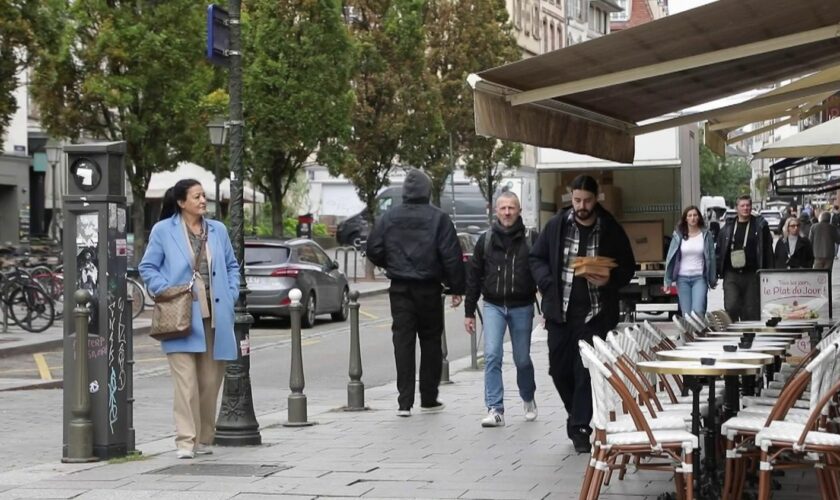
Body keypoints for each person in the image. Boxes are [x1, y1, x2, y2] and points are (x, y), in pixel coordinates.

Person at [529, 175, 635, 453]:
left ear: (597, 198)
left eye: (587, 200)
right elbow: (536, 258)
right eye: (577, 200)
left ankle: (580, 427)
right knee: (558, 370)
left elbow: (628, 267)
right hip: (560, 314)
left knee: (585, 372)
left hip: (595, 314)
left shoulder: (609, 228)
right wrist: (547, 284)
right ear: (570, 197)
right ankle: (574, 413)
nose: (582, 206)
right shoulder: (556, 225)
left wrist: (609, 279)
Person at [139, 179, 240, 459]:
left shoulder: (217, 230)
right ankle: (186, 441)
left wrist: (231, 295)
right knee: (186, 383)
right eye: (196, 197)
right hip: (180, 315)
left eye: (203, 196)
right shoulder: (164, 230)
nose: (203, 201)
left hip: (215, 316)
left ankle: (203, 437)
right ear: (182, 202)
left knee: (209, 382)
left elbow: (232, 266)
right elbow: (147, 266)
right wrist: (164, 288)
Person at [366, 168, 466, 417]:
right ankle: (429, 398)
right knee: (431, 341)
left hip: (399, 287)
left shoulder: (389, 217)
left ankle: (404, 402)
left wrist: (390, 263)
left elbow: (373, 248)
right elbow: (451, 256)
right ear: (428, 191)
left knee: (403, 342)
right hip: (429, 288)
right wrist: (456, 287)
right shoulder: (439, 218)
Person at [464, 192, 537, 428]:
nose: (507, 212)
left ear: (519, 211)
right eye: (503, 208)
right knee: (492, 355)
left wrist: (547, 307)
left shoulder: (530, 239)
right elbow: (473, 277)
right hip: (493, 304)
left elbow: (542, 273)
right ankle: (495, 409)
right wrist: (469, 311)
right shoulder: (485, 240)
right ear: (496, 211)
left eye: (511, 208)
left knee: (522, 359)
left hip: (522, 305)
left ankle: (527, 396)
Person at [715, 195, 773, 321]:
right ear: (737, 208)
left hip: (752, 274)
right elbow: (719, 250)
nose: (745, 208)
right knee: (731, 306)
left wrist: (769, 271)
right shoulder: (728, 228)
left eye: (748, 205)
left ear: (751, 207)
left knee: (751, 310)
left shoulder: (760, 226)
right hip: (732, 274)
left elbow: (767, 250)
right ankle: (734, 334)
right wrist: (716, 272)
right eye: (742, 205)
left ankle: (748, 338)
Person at [664, 206, 717, 316]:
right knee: (687, 314)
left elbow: (711, 258)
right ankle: (689, 333)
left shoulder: (706, 235)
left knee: (698, 311)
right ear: (685, 219)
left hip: (699, 278)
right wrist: (667, 281)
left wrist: (712, 279)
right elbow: (670, 258)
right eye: (690, 215)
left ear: (699, 218)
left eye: (695, 215)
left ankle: (698, 333)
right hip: (682, 279)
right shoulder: (678, 236)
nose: (692, 218)